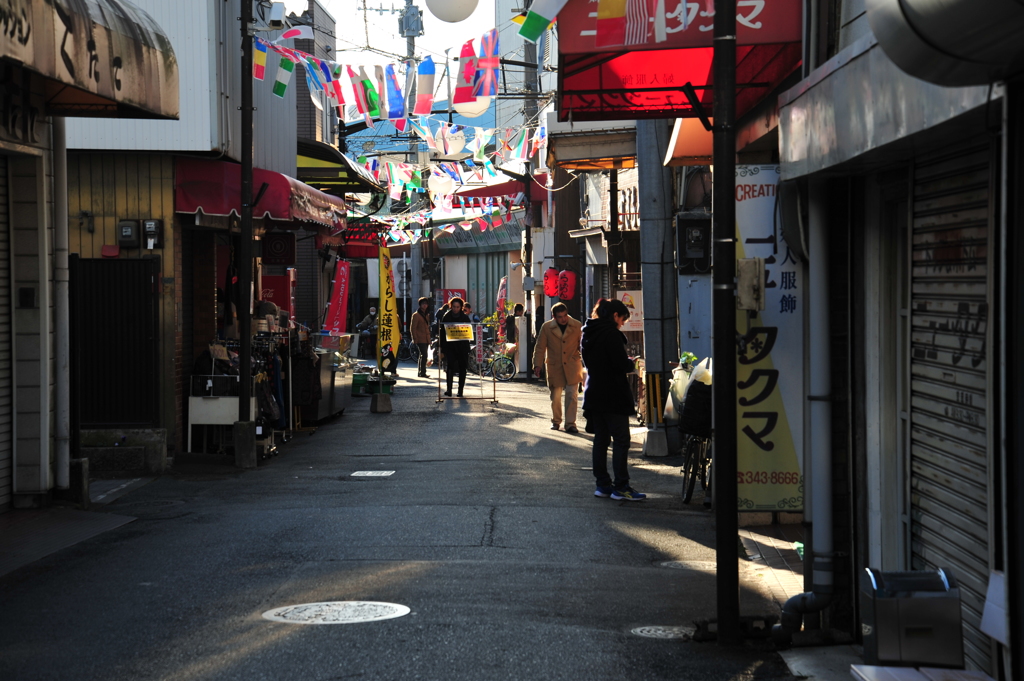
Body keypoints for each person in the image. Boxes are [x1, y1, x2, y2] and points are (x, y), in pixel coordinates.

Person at [581, 298, 646, 501]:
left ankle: (602, 485)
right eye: (622, 319)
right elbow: (618, 364)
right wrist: (631, 363)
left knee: (601, 440)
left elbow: (595, 362)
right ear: (615, 316)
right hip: (613, 394)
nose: (622, 324)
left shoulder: (588, 332)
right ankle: (621, 486)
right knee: (621, 440)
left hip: (594, 392)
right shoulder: (611, 334)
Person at [533, 302, 584, 432]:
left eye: (565, 315)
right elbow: (540, 347)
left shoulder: (577, 325)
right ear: (554, 317)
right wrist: (537, 365)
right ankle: (556, 421)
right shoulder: (547, 327)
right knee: (555, 396)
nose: (563, 319)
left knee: (572, 395)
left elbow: (583, 346)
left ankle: (571, 424)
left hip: (572, 364)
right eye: (560, 316)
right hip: (555, 365)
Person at [439, 297, 471, 397]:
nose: (455, 309)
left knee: (462, 368)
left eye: (458, 307)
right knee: (450, 368)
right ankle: (449, 390)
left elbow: (468, 333)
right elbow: (442, 334)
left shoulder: (465, 318)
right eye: (454, 307)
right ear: (450, 306)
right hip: (450, 346)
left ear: (461, 307)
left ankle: (460, 390)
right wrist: (442, 348)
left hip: (462, 347)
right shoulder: (446, 316)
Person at [410, 297, 432, 377]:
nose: (425, 305)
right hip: (420, 338)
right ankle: (422, 372)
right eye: (423, 304)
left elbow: (427, 327)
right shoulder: (416, 315)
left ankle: (421, 372)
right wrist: (414, 338)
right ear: (420, 305)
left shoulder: (426, 314)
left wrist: (429, 339)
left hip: (426, 338)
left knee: (422, 355)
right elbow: (413, 328)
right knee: (424, 355)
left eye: (426, 304)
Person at [504, 302, 524, 372]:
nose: (522, 313)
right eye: (521, 311)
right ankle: (511, 370)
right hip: (514, 339)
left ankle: (509, 370)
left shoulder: (510, 318)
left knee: (510, 356)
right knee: (514, 356)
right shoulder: (516, 319)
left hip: (509, 339)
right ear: (518, 311)